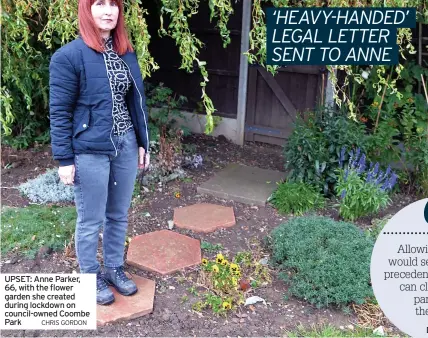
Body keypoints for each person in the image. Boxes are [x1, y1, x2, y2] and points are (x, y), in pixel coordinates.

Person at [49, 0, 150, 305]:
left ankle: (114, 268)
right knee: (91, 219)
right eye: (100, 4)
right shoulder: (68, 56)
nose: (108, 11)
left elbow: (137, 102)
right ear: (87, 10)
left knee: (118, 215)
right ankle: (89, 277)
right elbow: (59, 111)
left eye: (114, 5)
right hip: (90, 149)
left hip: (126, 144)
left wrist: (143, 141)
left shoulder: (126, 53)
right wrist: (64, 159)